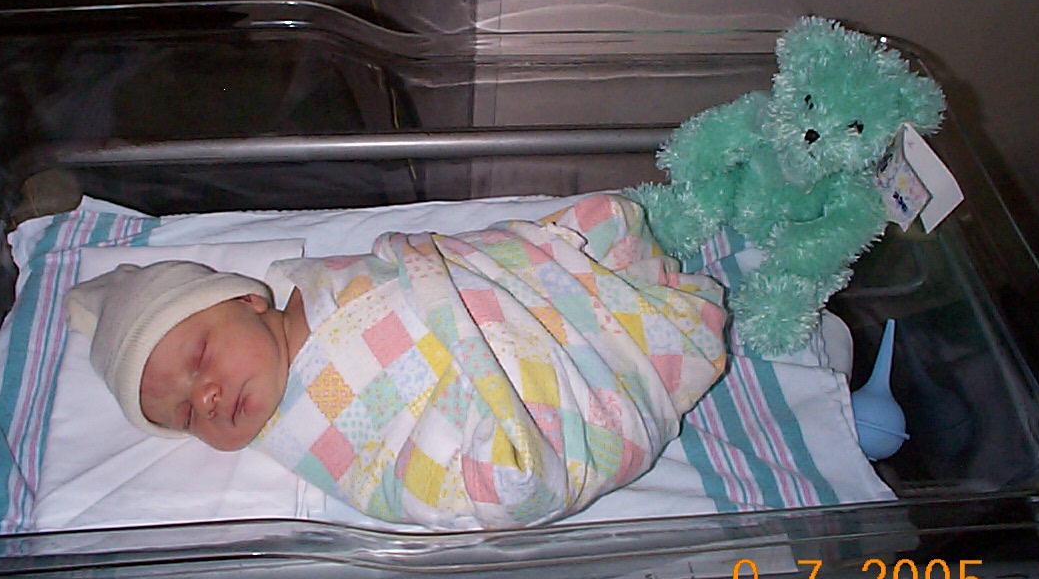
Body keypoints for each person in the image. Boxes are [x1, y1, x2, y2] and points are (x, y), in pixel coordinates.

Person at [66, 193, 727, 529]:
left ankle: (608, 297)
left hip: (524, 297)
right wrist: (490, 451)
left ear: (246, 299)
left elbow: (441, 263)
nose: (207, 397)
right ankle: (632, 347)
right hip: (530, 393)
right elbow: (402, 483)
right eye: (186, 415)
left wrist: (507, 267)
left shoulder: (318, 283)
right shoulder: (306, 429)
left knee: (600, 224)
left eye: (200, 357)